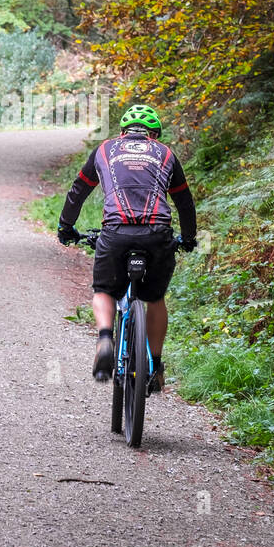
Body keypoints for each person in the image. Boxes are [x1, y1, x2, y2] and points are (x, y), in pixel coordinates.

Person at [57, 104, 198, 393]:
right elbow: (184, 201)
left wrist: (66, 227)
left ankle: (106, 339)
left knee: (105, 290)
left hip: (116, 232)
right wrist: (188, 237)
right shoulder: (166, 153)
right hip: (158, 234)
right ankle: (155, 366)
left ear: (122, 132)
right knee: (155, 298)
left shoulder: (105, 150)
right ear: (154, 135)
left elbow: (78, 191)